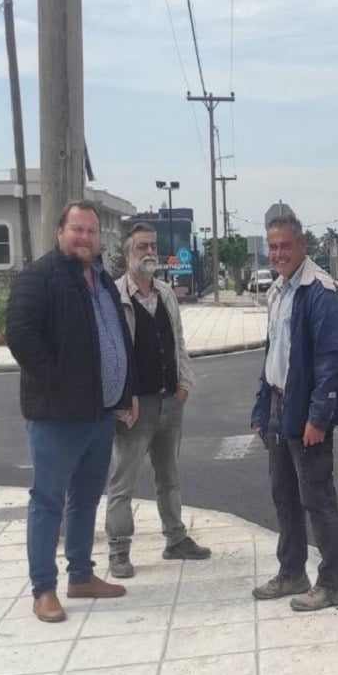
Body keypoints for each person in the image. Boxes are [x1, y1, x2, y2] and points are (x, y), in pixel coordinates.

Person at [5, 199, 134, 623]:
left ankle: (81, 575)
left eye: (92, 232)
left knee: (86, 498)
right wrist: (59, 381)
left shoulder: (102, 279)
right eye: (77, 229)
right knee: (48, 501)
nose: (85, 237)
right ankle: (43, 589)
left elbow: (117, 336)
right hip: (56, 417)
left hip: (99, 414)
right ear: (60, 231)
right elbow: (20, 336)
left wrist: (126, 390)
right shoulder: (38, 278)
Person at [250, 213, 338, 612]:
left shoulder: (320, 292)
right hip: (278, 405)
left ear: (302, 245)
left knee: (318, 500)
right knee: (285, 497)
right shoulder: (278, 291)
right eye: (273, 246)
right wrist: (262, 410)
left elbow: (332, 361)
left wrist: (318, 418)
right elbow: (272, 354)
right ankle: (292, 572)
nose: (278, 253)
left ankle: (333, 584)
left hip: (306, 411)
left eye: (285, 246)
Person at [105, 223, 210, 580]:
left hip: (170, 401)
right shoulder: (115, 296)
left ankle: (175, 538)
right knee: (123, 481)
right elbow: (110, 354)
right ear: (127, 254)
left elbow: (178, 340)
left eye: (152, 245)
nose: (149, 251)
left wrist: (185, 383)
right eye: (142, 246)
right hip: (135, 408)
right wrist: (122, 401)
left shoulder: (165, 293)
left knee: (169, 476)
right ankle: (119, 550)